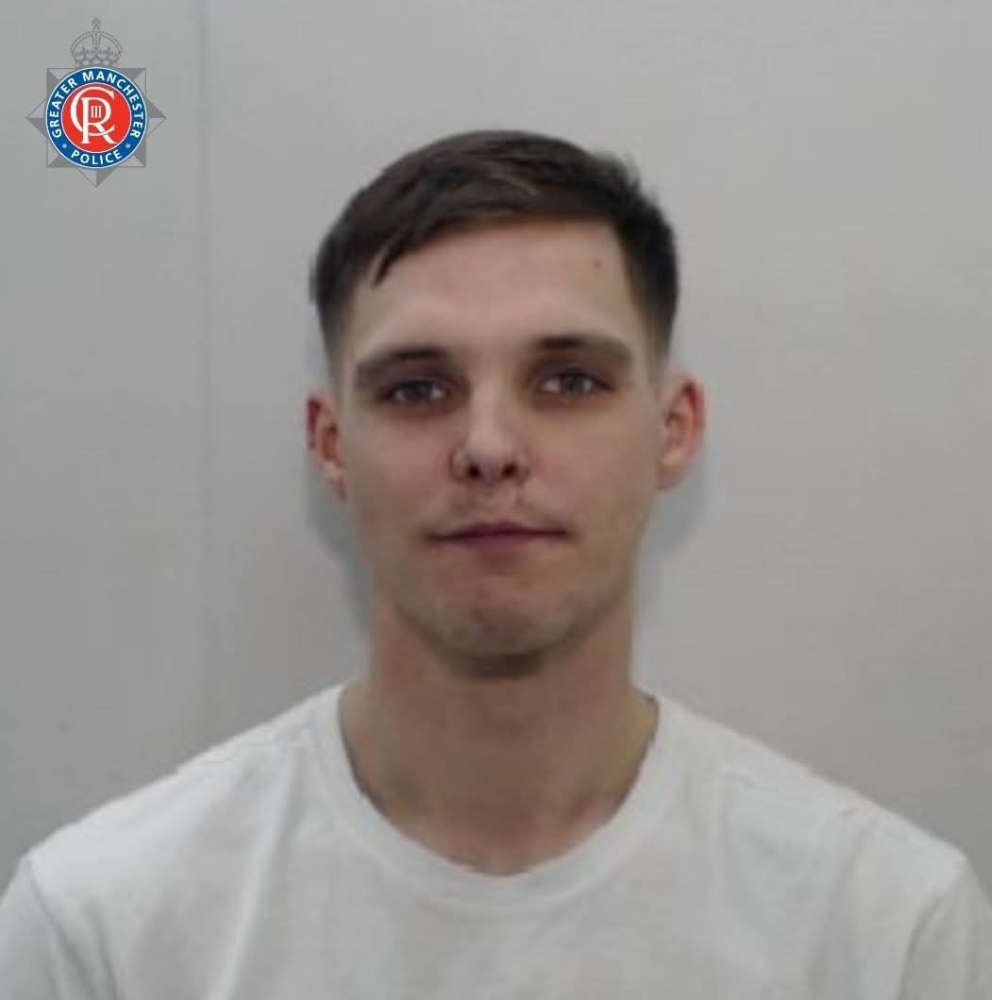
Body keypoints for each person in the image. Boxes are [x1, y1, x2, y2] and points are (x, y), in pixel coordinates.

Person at [1, 129, 989, 998]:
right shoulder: (106, 929)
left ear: (673, 429)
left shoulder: (883, 929)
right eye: (417, 389)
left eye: (568, 380)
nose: (488, 446)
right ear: (332, 447)